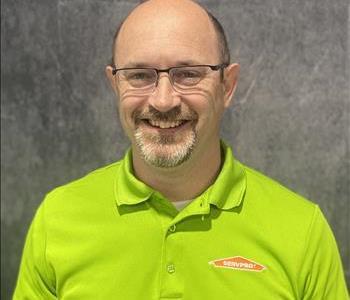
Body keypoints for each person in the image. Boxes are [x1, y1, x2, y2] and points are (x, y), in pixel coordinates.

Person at [13, 0, 348, 299]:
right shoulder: (57, 218)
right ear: (116, 84)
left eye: (188, 74)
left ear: (227, 86)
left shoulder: (302, 230)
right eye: (139, 75)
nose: (162, 100)